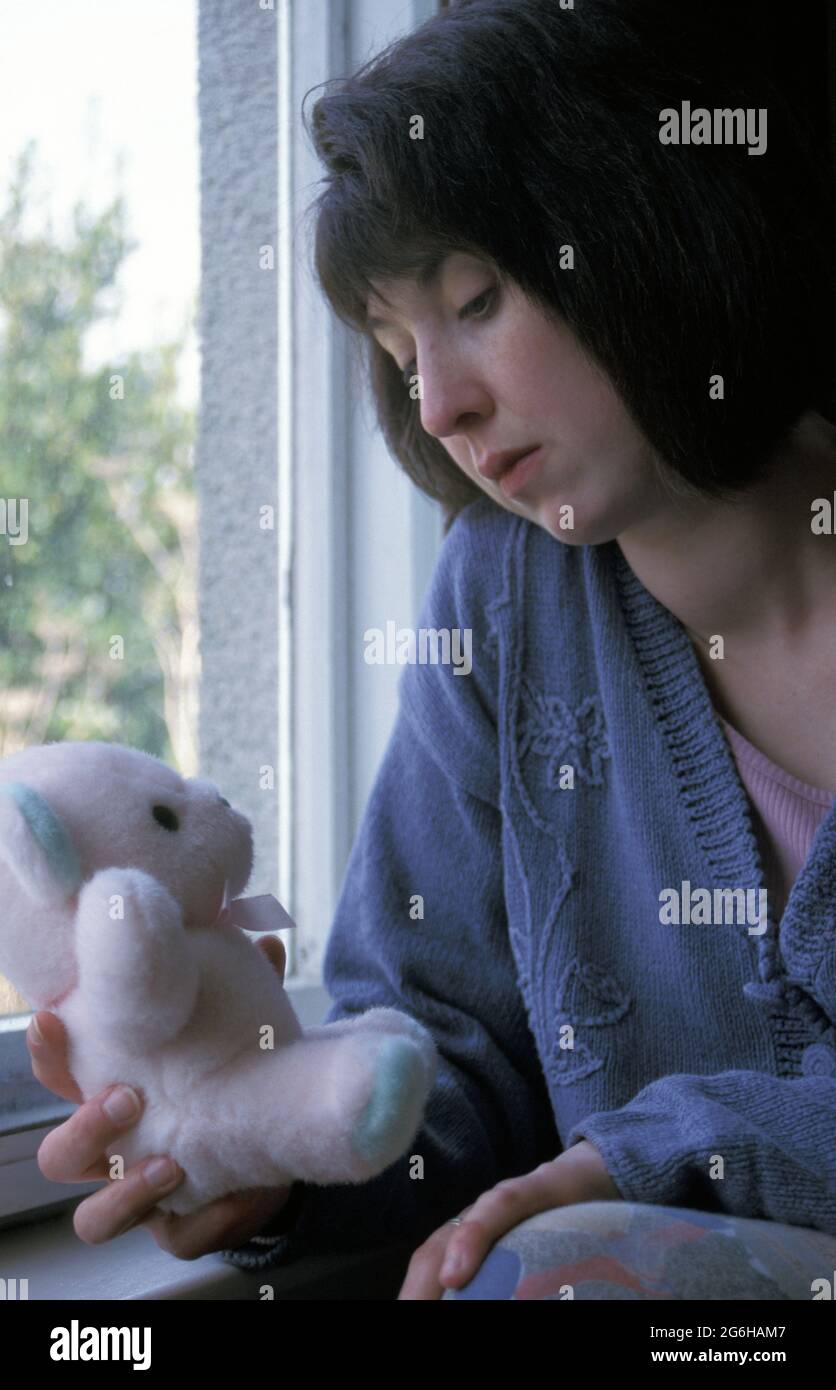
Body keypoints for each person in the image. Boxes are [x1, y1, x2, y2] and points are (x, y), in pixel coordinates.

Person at [27, 0, 836, 1300]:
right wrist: (285, 1149)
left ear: (652, 227)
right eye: (400, 352)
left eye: (476, 299)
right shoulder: (501, 601)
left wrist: (658, 1156)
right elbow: (449, 1060)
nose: (441, 406)